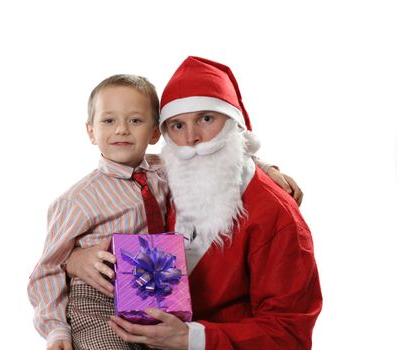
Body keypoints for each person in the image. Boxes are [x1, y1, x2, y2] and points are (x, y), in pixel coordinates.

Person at [28, 72, 305, 350]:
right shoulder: (76, 200)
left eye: (135, 120)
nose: (122, 129)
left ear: (154, 133)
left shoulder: (166, 171)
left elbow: (225, 154)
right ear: (91, 131)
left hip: (156, 293)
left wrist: (267, 169)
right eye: (109, 120)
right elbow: (47, 268)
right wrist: (57, 327)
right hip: (98, 301)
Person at [106, 57, 323, 349]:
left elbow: (290, 332)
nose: (192, 139)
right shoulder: (162, 180)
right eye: (178, 125)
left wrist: (193, 339)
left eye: (206, 119)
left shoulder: (277, 214)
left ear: (233, 124)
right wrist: (73, 259)